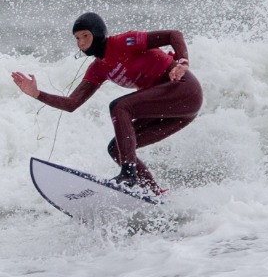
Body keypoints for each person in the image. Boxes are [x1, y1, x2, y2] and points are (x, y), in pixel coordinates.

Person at [11, 12, 202, 196]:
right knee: (117, 149)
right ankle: (155, 194)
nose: (81, 43)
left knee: (120, 106)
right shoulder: (98, 69)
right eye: (77, 39)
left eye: (85, 36)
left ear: (98, 33)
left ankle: (128, 174)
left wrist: (183, 62)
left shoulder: (124, 42)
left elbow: (173, 35)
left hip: (184, 90)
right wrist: (36, 94)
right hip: (175, 112)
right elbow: (71, 103)